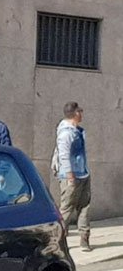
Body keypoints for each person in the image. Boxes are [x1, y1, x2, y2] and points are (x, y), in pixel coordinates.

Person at [53, 102, 92, 251]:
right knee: (66, 209)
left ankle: (84, 239)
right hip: (71, 176)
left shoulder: (77, 130)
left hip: (83, 173)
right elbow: (63, 156)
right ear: (76, 113)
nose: (82, 114)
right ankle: (58, 240)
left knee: (84, 207)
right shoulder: (66, 133)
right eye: (80, 111)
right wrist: (70, 177)